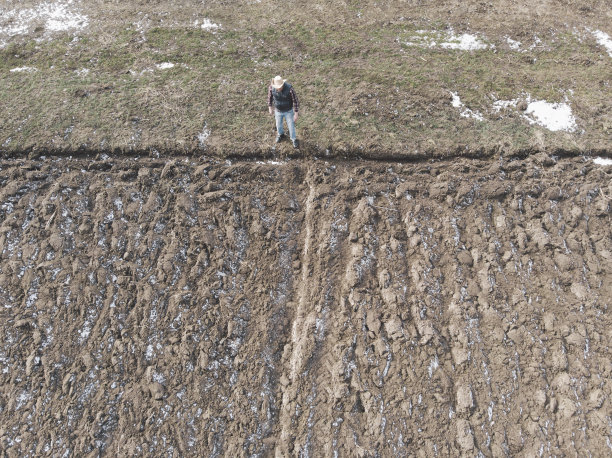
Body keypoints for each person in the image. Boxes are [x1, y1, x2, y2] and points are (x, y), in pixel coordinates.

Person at [268, 75, 300, 148]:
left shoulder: (289, 89)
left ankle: (294, 139)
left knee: (291, 126)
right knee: (278, 125)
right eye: (277, 87)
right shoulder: (271, 88)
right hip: (278, 111)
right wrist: (270, 107)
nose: (278, 88)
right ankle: (281, 134)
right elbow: (270, 97)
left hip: (288, 111)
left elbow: (295, 101)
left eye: (279, 86)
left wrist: (296, 113)